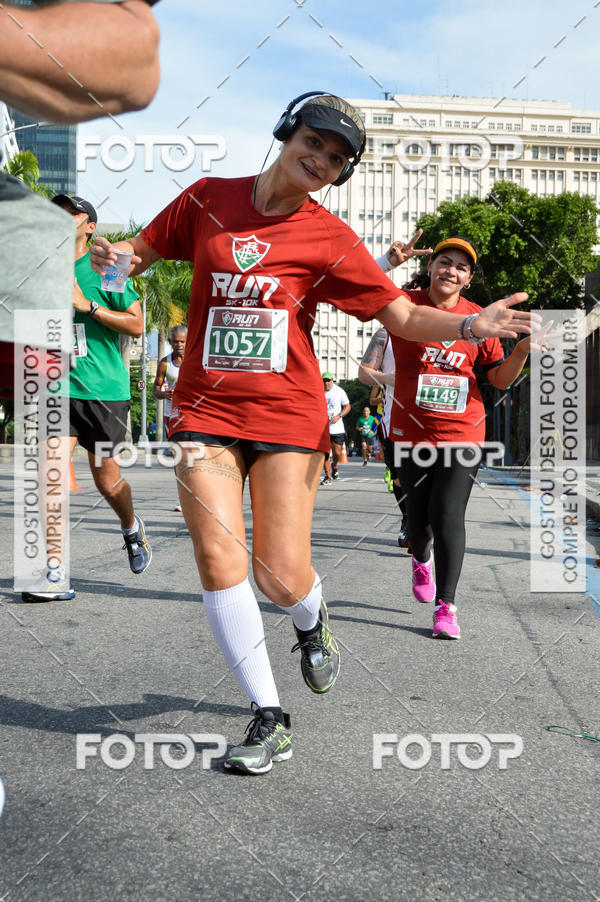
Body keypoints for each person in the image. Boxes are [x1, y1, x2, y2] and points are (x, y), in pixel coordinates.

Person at [89, 91, 537, 774]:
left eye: (337, 158)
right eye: (316, 142)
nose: (322, 160)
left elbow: (405, 319)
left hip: (289, 416)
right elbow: (140, 253)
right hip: (204, 412)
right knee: (218, 558)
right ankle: (270, 715)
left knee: (278, 572)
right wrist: (110, 260)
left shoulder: (329, 238)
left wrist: (472, 326)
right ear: (286, 131)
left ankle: (309, 619)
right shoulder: (208, 197)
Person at [383, 236, 549, 639]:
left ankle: (447, 607)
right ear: (431, 266)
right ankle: (420, 554)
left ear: (468, 279)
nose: (450, 270)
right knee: (418, 522)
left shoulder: (482, 318)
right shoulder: (404, 302)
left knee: (447, 513)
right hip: (412, 433)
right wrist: (388, 261)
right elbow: (359, 288)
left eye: (460, 267)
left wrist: (522, 352)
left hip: (464, 432)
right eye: (444, 261)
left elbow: (498, 378)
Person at [21, 194, 151, 602]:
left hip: (103, 390)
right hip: (54, 386)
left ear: (90, 226)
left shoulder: (107, 269)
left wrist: (87, 305)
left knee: (107, 481)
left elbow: (136, 325)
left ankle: (131, 528)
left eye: (70, 213)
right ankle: (54, 570)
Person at [153, 324, 187, 510]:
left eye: (183, 341)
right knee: (178, 456)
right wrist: (164, 394)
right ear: (170, 342)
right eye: (176, 342)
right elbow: (155, 390)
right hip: (172, 416)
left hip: (194, 414)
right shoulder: (165, 363)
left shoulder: (196, 362)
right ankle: (181, 497)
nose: (179, 345)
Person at [320, 372, 350, 485]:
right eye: (324, 381)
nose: (326, 383)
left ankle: (335, 465)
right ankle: (327, 476)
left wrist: (339, 416)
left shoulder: (339, 391)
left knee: (337, 452)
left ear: (332, 380)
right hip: (322, 428)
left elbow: (347, 406)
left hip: (336, 428)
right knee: (325, 452)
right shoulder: (318, 391)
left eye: (328, 380)